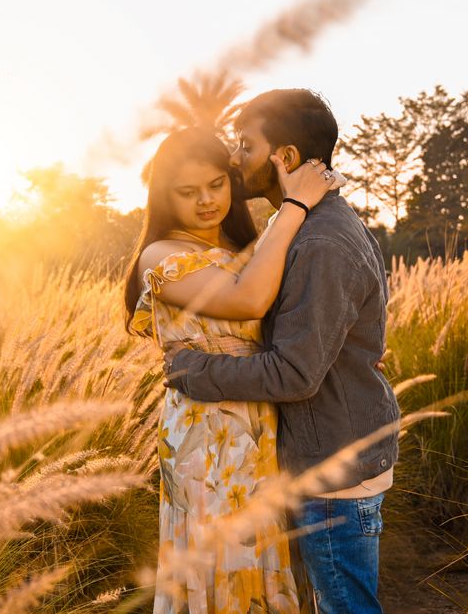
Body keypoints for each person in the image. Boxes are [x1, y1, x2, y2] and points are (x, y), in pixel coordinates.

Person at [162, 90, 401, 614]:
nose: (234, 157)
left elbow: (294, 373)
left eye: (246, 146)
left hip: (334, 466)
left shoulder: (318, 240)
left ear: (285, 158)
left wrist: (194, 370)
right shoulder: (309, 225)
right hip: (331, 446)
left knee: (346, 606)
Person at [123, 126, 338, 613]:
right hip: (206, 433)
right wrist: (295, 206)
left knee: (258, 554)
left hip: (262, 426)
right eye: (187, 192)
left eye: (216, 185)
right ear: (163, 196)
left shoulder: (248, 247)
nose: (205, 201)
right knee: (218, 556)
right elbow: (248, 300)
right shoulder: (162, 255)